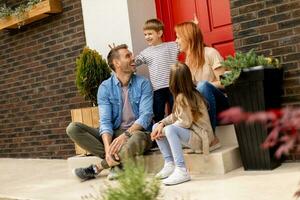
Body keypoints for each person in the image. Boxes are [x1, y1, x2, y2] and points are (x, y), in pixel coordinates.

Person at [66, 44, 153, 181]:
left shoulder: (143, 83)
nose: (133, 58)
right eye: (128, 56)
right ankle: (117, 162)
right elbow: (105, 122)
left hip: (138, 132)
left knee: (136, 138)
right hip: (116, 133)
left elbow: (146, 117)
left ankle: (98, 168)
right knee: (73, 129)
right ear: (116, 63)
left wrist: (126, 135)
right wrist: (107, 148)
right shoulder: (105, 87)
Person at [151, 62, 214, 185]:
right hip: (193, 134)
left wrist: (165, 129)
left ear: (173, 81)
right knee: (156, 126)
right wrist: (161, 123)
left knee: (170, 130)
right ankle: (169, 163)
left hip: (201, 137)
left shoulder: (183, 97)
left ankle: (181, 169)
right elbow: (176, 116)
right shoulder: (185, 95)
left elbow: (185, 123)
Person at [174, 21, 229, 135]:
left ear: (188, 38)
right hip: (203, 108)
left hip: (222, 106)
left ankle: (210, 135)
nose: (176, 41)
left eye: (178, 37)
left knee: (203, 85)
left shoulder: (210, 53)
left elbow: (225, 83)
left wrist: (203, 86)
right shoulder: (186, 63)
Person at [135, 18, 179, 122]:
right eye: (145, 34)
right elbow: (134, 63)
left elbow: (188, 42)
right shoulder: (145, 53)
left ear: (159, 33)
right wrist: (117, 55)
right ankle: (158, 135)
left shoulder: (172, 46)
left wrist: (194, 27)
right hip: (157, 89)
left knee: (176, 112)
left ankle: (175, 132)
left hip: (174, 86)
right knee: (158, 113)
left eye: (150, 34)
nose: (147, 37)